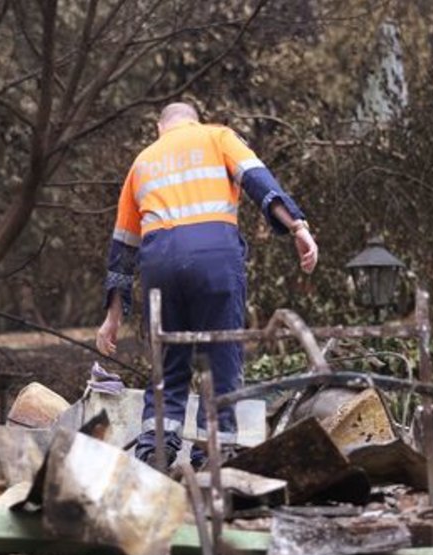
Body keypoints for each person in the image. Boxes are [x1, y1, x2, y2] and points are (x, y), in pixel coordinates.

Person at [96, 102, 318, 469]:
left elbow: (123, 246)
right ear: (194, 120)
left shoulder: (143, 162)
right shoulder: (218, 137)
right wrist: (298, 227)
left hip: (160, 263)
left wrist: (112, 316)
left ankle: (155, 451)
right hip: (215, 256)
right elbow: (259, 181)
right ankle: (216, 452)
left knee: (169, 360)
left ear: (159, 127)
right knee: (221, 354)